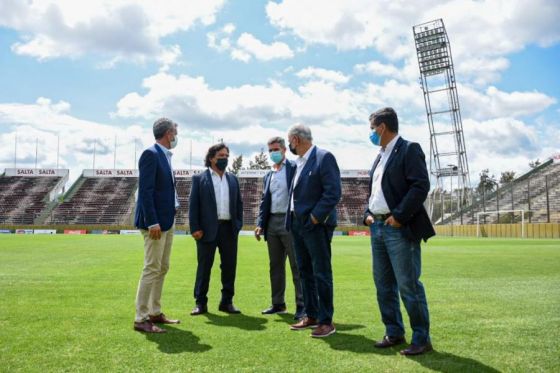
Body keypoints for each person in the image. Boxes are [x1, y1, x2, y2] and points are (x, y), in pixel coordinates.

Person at [364, 107, 435, 355]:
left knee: (408, 285)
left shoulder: (408, 149)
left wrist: (399, 216)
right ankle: (393, 331)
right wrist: (368, 214)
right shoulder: (379, 156)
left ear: (382, 127)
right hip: (378, 228)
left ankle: (421, 338)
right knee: (383, 285)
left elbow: (420, 185)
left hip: (398, 229)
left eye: (372, 128)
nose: (371, 133)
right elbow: (373, 194)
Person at [285, 124, 341, 338]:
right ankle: (311, 315)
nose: (289, 145)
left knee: (321, 272)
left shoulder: (323, 157)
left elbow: (333, 192)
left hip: (315, 225)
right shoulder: (298, 163)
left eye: (289, 141)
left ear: (296, 140)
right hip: (297, 225)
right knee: (305, 272)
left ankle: (326, 321)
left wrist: (315, 217)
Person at [133, 118, 181, 333]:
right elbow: (145, 190)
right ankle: (141, 318)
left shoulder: (165, 156)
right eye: (175, 132)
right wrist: (152, 221)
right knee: (152, 267)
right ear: (169, 133)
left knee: (162, 267)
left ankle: (154, 311)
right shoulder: (150, 154)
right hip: (155, 223)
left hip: (167, 221)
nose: (176, 136)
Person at [189, 143, 243, 315]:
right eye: (221, 156)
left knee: (229, 267)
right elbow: (193, 205)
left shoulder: (233, 179)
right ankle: (200, 303)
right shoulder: (199, 179)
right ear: (211, 158)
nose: (224, 159)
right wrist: (195, 227)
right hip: (206, 230)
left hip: (229, 229)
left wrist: (237, 225)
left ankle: (226, 302)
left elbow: (239, 205)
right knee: (204, 267)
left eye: (226, 156)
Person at [255, 136, 305, 320]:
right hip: (272, 224)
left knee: (296, 265)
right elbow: (263, 202)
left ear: (284, 150)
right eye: (270, 150)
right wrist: (260, 223)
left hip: (290, 220)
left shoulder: (294, 168)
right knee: (275, 266)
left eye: (276, 149)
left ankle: (302, 305)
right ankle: (278, 303)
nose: (273, 153)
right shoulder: (268, 174)